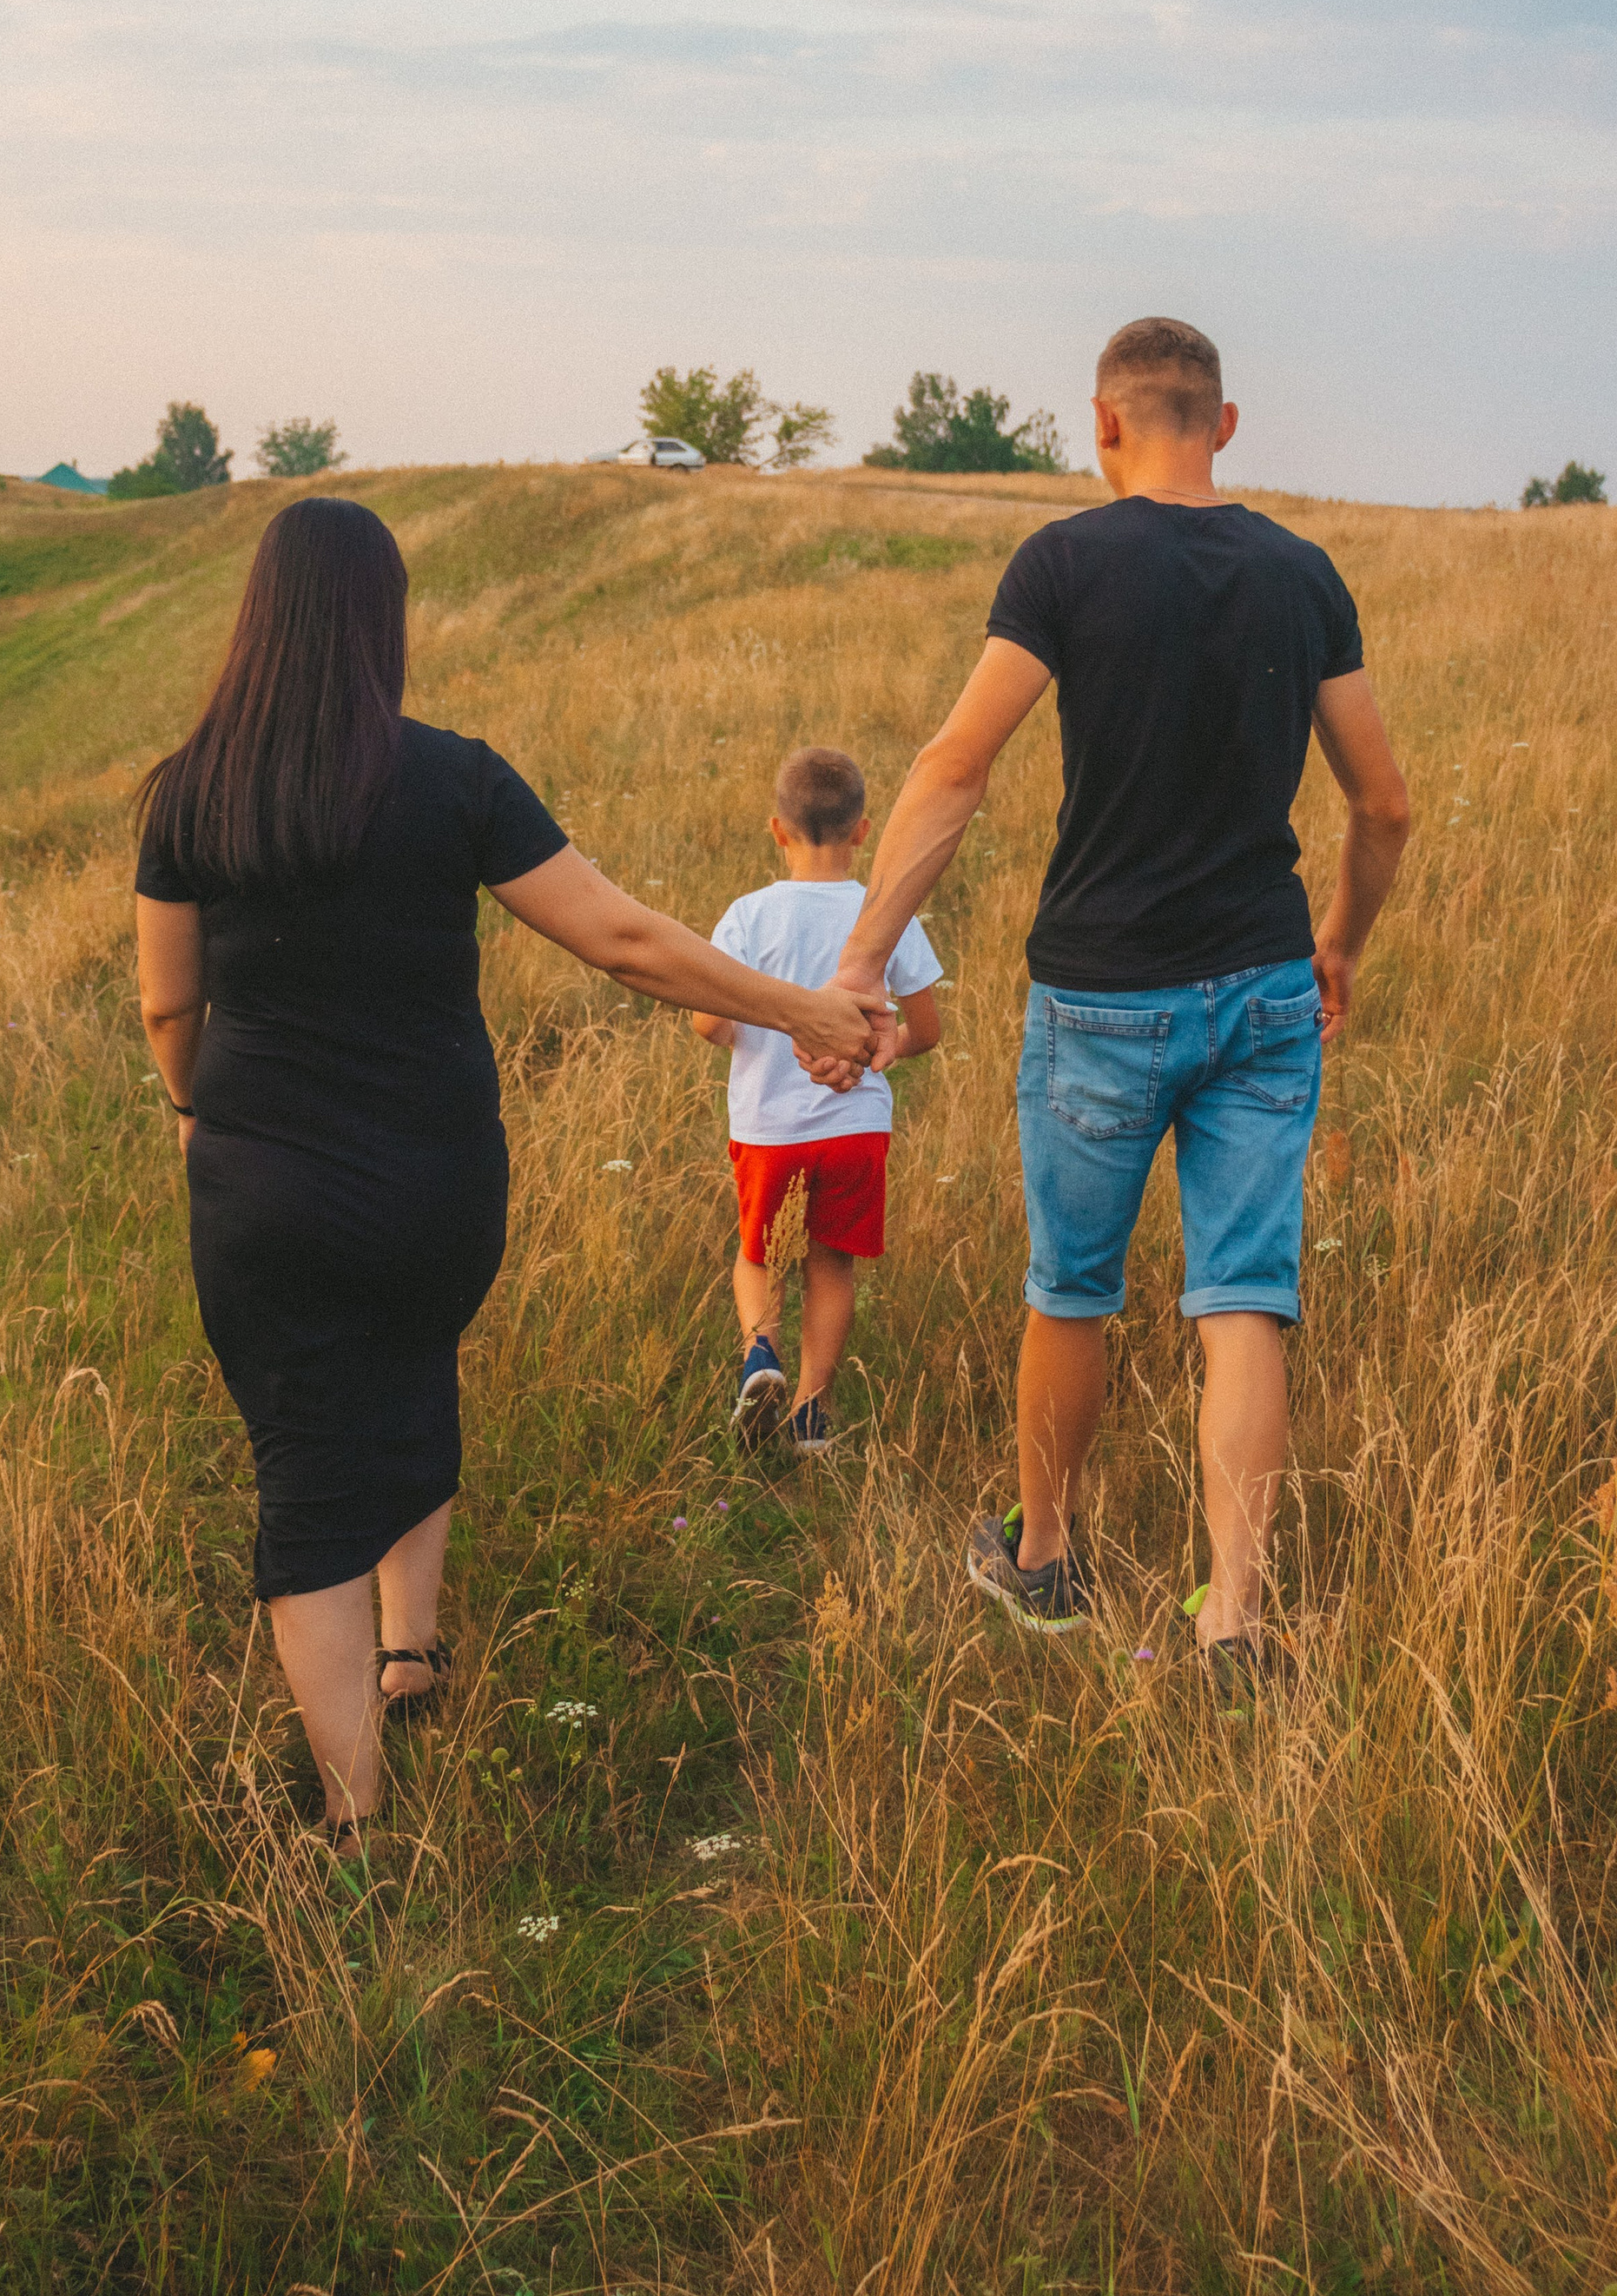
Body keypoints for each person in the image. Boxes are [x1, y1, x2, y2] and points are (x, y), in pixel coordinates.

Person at [134, 498, 876, 1842]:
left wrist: (196, 1111)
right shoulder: (455, 778)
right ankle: (411, 1650)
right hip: (435, 1180)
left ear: (259, 619)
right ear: (384, 625)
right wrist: (810, 1011)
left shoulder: (190, 793)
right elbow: (625, 940)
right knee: (415, 1367)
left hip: (263, 1191)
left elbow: (166, 1010)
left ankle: (357, 1818)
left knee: (305, 1467)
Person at [807, 318, 1409, 1690]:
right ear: (1229, 424)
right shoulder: (1304, 575)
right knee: (1245, 1299)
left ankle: (1043, 1559)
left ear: (1105, 425)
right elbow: (1384, 801)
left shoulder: (1065, 562)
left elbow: (957, 769)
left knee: (1070, 1290)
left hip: (1099, 998)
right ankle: (1237, 1622)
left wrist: (864, 962)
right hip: (1264, 986)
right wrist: (1342, 944)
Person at [690, 746, 945, 1455]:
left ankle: (759, 1357)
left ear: (777, 830)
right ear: (865, 831)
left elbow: (709, 1021)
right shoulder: (884, 913)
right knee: (830, 1262)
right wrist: (870, 1049)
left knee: (759, 1253)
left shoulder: (747, 916)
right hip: (855, 1127)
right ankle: (811, 1412)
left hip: (768, 1127)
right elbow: (925, 1029)